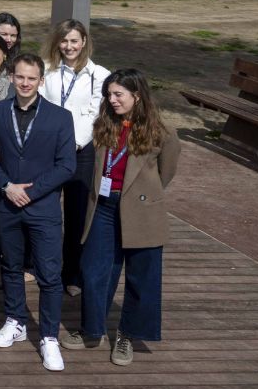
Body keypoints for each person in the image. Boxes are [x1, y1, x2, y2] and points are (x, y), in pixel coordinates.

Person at [67, 68, 179, 366]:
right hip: (103, 207)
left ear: (137, 96)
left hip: (141, 210)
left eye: (118, 95)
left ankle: (127, 335)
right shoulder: (106, 125)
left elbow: (165, 173)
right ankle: (92, 329)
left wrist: (143, 195)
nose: (112, 100)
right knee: (94, 271)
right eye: (109, 95)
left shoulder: (161, 132)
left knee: (141, 278)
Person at [0, 53, 78, 372]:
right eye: (20, 77)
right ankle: (15, 320)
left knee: (49, 274)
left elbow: (67, 165)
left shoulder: (60, 117)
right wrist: (7, 185)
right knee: (11, 266)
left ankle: (50, 337)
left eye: (32, 78)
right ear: (11, 77)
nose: (25, 83)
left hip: (42, 208)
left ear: (42, 81)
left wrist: (32, 190)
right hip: (7, 203)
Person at [40, 19, 111, 295]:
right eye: (64, 40)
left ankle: (72, 273)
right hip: (48, 150)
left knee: (77, 212)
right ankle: (38, 266)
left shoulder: (99, 75)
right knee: (44, 211)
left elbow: (94, 114)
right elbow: (42, 103)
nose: (69, 46)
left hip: (81, 151)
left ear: (84, 42)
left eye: (74, 41)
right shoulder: (47, 70)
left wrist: (75, 143)